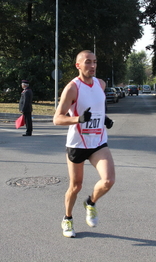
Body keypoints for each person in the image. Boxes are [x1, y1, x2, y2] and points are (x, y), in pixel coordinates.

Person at [53, 50, 115, 238]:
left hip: (98, 142)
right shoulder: (72, 88)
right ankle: (68, 218)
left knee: (108, 180)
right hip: (77, 144)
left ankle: (91, 202)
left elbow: (96, 107)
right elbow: (57, 119)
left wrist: (104, 119)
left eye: (95, 62)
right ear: (78, 65)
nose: (93, 66)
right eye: (88, 62)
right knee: (76, 186)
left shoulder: (101, 84)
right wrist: (79, 119)